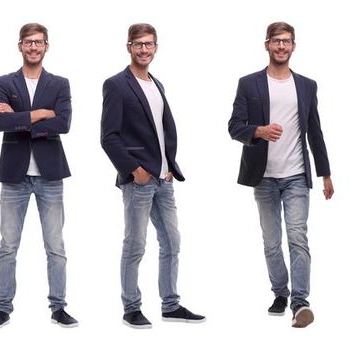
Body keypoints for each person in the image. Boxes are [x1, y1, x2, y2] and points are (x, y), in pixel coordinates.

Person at [227, 21, 332, 329]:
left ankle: (300, 303)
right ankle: (279, 293)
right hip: (264, 177)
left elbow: (315, 131)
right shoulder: (249, 83)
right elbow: (234, 126)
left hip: (297, 174)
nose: (282, 46)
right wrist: (257, 131)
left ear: (293, 46)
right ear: (267, 45)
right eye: (276, 41)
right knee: (272, 241)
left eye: (287, 41)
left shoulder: (307, 85)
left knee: (298, 237)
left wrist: (325, 173)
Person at [100, 23, 205, 329]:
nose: (143, 49)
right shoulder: (117, 84)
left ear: (156, 48)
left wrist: (168, 166)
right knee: (135, 245)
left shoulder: (158, 84)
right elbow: (109, 137)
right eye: (138, 44)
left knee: (172, 241)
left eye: (149, 44)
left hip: (164, 179)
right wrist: (134, 170)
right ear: (128, 47)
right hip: (139, 180)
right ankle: (131, 308)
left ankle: (170, 305)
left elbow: (162, 130)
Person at [0, 23, 77, 329]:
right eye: (28, 42)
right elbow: (0, 122)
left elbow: (63, 124)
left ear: (46, 46)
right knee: (8, 245)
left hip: (50, 175)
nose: (34, 47)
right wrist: (40, 114)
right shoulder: (3, 81)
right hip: (14, 175)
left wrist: (19, 118)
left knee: (56, 246)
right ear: (20, 45)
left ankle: (59, 307)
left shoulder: (60, 84)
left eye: (39, 42)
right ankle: (3, 307)